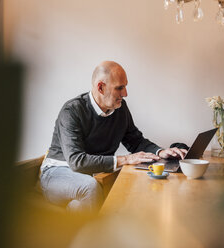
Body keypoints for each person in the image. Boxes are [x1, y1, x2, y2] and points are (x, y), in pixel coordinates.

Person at [40, 61, 187, 212]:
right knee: (89, 188)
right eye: (119, 88)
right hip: (58, 172)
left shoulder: (120, 108)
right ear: (100, 87)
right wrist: (126, 159)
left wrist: (160, 152)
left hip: (92, 175)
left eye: (125, 86)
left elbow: (135, 141)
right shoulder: (72, 111)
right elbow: (77, 161)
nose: (125, 94)